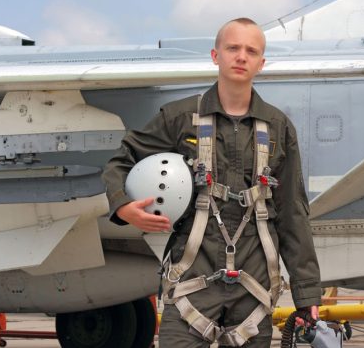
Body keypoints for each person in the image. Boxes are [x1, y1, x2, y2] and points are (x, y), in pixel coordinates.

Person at [102, 18, 321, 347]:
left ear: (261, 63)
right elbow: (123, 159)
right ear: (215, 55)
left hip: (254, 291)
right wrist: (122, 206)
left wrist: (306, 295)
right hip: (191, 282)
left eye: (251, 51)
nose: (241, 56)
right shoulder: (179, 118)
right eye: (233, 48)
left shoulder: (278, 128)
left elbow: (293, 212)